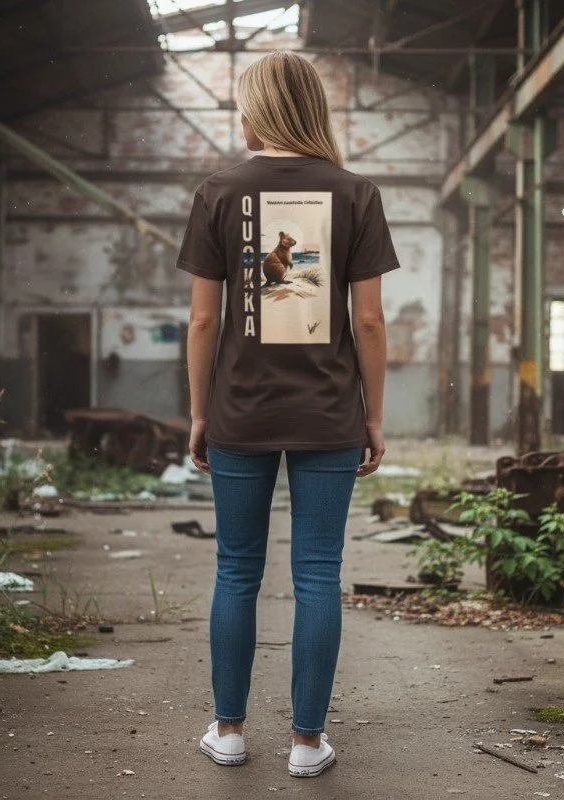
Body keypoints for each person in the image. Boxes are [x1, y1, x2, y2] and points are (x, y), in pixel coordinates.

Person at [176, 50, 399, 778]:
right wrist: (372, 416)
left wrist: (198, 412)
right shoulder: (356, 193)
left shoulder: (216, 191)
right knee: (317, 573)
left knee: (236, 570)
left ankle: (230, 732)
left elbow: (204, 323)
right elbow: (368, 322)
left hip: (239, 410)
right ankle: (307, 743)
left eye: (244, 105)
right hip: (329, 412)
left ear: (260, 112)